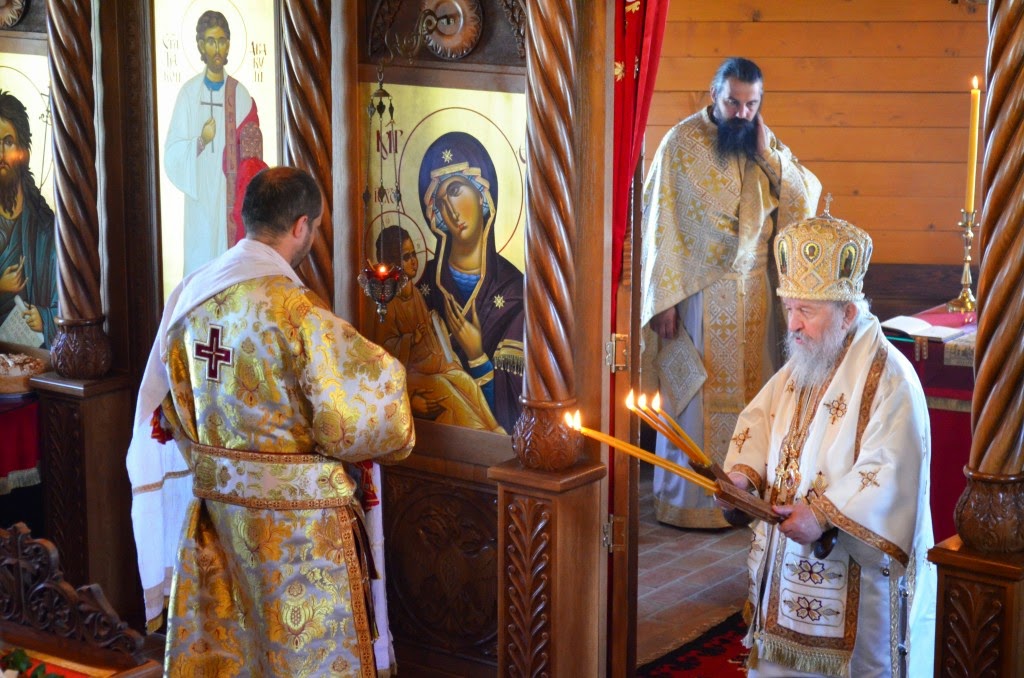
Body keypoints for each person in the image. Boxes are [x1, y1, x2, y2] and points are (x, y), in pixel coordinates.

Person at [125, 166, 415, 676]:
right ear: (302, 226)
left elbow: (165, 404)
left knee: (236, 651)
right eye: (316, 228)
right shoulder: (298, 313)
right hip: (300, 533)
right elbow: (356, 419)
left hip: (218, 519)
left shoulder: (191, 296)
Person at [721, 210, 936, 677]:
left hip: (856, 582)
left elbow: (889, 469)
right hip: (786, 572)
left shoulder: (891, 379)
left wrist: (821, 514)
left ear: (848, 313)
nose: (793, 325)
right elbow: (761, 421)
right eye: (789, 308)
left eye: (807, 311)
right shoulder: (806, 360)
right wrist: (740, 478)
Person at [639, 57, 821, 529]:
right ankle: (692, 503)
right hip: (698, 294)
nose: (742, 113)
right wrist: (665, 301)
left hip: (755, 293)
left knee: (754, 399)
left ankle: (748, 502)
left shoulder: (763, 143)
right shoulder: (680, 143)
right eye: (733, 102)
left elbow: (806, 199)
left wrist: (768, 157)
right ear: (713, 96)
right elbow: (659, 224)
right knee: (695, 399)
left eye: (751, 104)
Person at [417, 131, 524, 434]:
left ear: (482, 193)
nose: (451, 212)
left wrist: (477, 357)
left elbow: (516, 410)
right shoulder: (425, 284)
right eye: (441, 202)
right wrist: (414, 399)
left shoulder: (514, 292)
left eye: (456, 190)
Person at [163, 9, 268, 277]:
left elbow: (252, 161)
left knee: (227, 266)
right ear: (200, 45)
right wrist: (201, 141)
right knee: (200, 263)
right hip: (199, 198)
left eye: (222, 40)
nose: (217, 48)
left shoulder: (240, 95)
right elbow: (172, 153)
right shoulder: (188, 94)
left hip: (228, 197)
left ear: (229, 44)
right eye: (210, 41)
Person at [374, 224, 505, 432]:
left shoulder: (415, 294)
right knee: (445, 388)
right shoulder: (388, 302)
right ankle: (481, 435)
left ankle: (495, 429)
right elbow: (383, 350)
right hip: (407, 375)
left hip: (428, 365)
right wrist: (411, 340)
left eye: (413, 254)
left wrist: (436, 327)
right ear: (391, 264)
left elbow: (427, 333)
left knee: (465, 381)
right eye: (406, 257)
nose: (414, 261)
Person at [0, 90, 57, 349]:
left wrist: (43, 318)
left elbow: (66, 301)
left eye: (8, 142)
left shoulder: (44, 226)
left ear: (23, 151)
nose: (1, 153)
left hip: (36, 358)